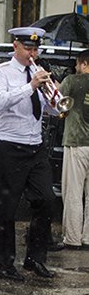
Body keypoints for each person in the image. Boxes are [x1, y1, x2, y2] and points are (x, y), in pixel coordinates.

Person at [0, 27, 57, 281]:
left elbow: (49, 110)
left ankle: (35, 257)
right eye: (28, 48)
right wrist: (30, 86)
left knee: (46, 199)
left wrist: (54, 95)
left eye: (35, 49)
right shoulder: (2, 72)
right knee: (7, 206)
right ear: (15, 45)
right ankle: (3, 260)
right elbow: (0, 102)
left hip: (34, 144)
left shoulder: (38, 73)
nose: (32, 53)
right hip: (8, 145)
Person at [60, 49, 89, 250]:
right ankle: (88, 238)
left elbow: (57, 102)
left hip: (77, 143)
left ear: (84, 64)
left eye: (78, 64)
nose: (76, 67)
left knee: (73, 193)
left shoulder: (72, 80)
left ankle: (72, 238)